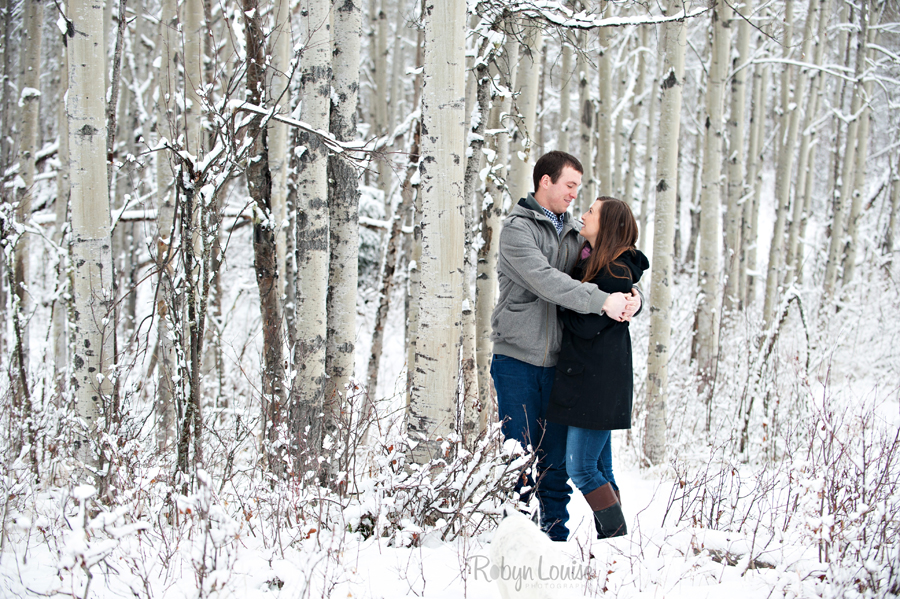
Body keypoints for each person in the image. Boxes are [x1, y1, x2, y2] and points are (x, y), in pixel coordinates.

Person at [490, 152, 641, 542]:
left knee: (557, 463)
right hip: (517, 360)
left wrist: (633, 297)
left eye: (579, 187)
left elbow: (610, 267)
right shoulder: (517, 231)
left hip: (562, 366)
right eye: (570, 185)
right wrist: (602, 301)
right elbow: (545, 280)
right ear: (545, 182)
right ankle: (519, 540)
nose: (576, 194)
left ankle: (554, 537)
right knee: (518, 457)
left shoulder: (577, 234)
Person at [546, 197, 649, 539]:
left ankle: (616, 537)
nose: (584, 214)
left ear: (607, 226)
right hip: (592, 381)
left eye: (592, 211)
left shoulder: (615, 270)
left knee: (582, 468)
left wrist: (567, 305)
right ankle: (615, 546)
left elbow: (586, 326)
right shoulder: (600, 262)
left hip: (597, 384)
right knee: (600, 466)